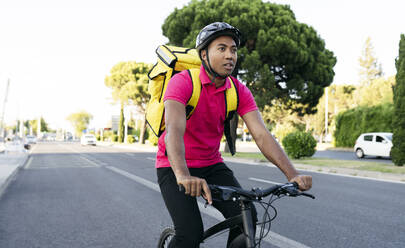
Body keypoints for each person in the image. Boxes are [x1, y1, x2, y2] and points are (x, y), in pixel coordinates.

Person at [156, 22, 312, 248]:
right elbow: (174, 130)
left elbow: (261, 135)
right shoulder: (182, 83)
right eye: (221, 48)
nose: (230, 55)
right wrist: (182, 174)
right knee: (189, 234)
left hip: (211, 164)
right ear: (204, 54)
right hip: (174, 165)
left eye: (233, 50)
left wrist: (293, 175)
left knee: (247, 219)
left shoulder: (238, 90)